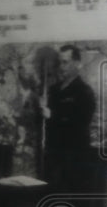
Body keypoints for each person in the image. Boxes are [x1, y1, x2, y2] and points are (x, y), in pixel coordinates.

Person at [40, 44, 97, 192]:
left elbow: (80, 123)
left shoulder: (84, 92)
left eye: (65, 62)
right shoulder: (53, 90)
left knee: (69, 197)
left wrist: (52, 115)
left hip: (73, 158)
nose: (61, 67)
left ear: (77, 64)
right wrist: (40, 108)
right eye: (60, 62)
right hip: (53, 156)